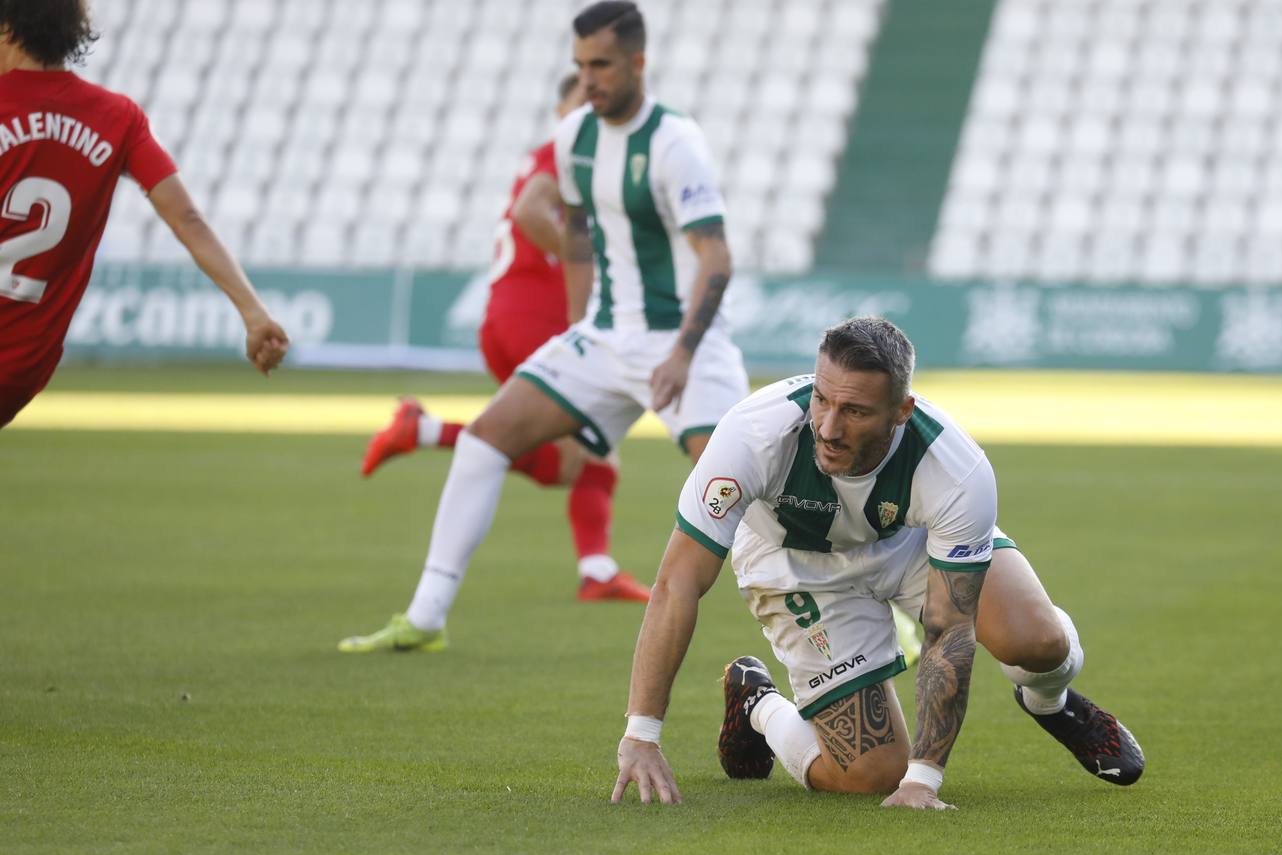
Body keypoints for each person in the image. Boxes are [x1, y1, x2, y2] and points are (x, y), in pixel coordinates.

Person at [337, 1, 747, 652]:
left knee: (746, 487)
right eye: (580, 66)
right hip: (605, 337)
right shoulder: (575, 136)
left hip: (682, 345)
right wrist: (580, 324)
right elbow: (579, 232)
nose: (589, 79)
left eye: (603, 65)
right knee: (484, 440)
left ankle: (873, 607)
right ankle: (426, 617)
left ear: (638, 63)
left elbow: (716, 257)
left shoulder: (676, 142)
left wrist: (681, 354)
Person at [611, 317, 1144, 808]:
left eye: (857, 412)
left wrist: (925, 779)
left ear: (902, 411)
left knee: (1040, 642)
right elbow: (677, 581)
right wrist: (642, 734)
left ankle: (1049, 703)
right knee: (870, 774)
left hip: (909, 541)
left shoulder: (954, 469)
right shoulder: (753, 433)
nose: (828, 427)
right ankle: (759, 703)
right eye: (822, 400)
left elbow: (949, 630)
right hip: (797, 565)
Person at [353, 74, 650, 610]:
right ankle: (424, 430)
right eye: (579, 100)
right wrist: (590, 266)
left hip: (510, 318)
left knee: (590, 456)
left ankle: (596, 569)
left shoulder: (567, 160)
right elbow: (529, 214)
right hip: (538, 316)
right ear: (560, 107)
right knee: (573, 458)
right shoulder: (566, 156)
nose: (591, 109)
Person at [0, 0, 288, 429]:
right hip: (23, 368)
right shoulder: (117, 119)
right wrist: (253, 312)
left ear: (8, 29)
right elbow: (187, 219)